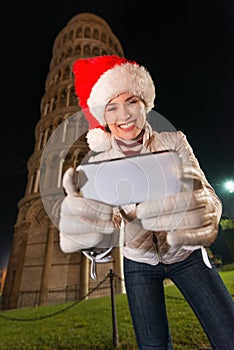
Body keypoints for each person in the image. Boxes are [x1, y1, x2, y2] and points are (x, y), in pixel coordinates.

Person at [59, 55, 234, 349]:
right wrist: (92, 235)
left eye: (131, 102)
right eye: (111, 107)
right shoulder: (101, 162)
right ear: (103, 117)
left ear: (144, 104)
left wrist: (201, 211)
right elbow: (110, 221)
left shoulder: (174, 141)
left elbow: (207, 193)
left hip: (186, 255)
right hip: (138, 262)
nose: (124, 115)